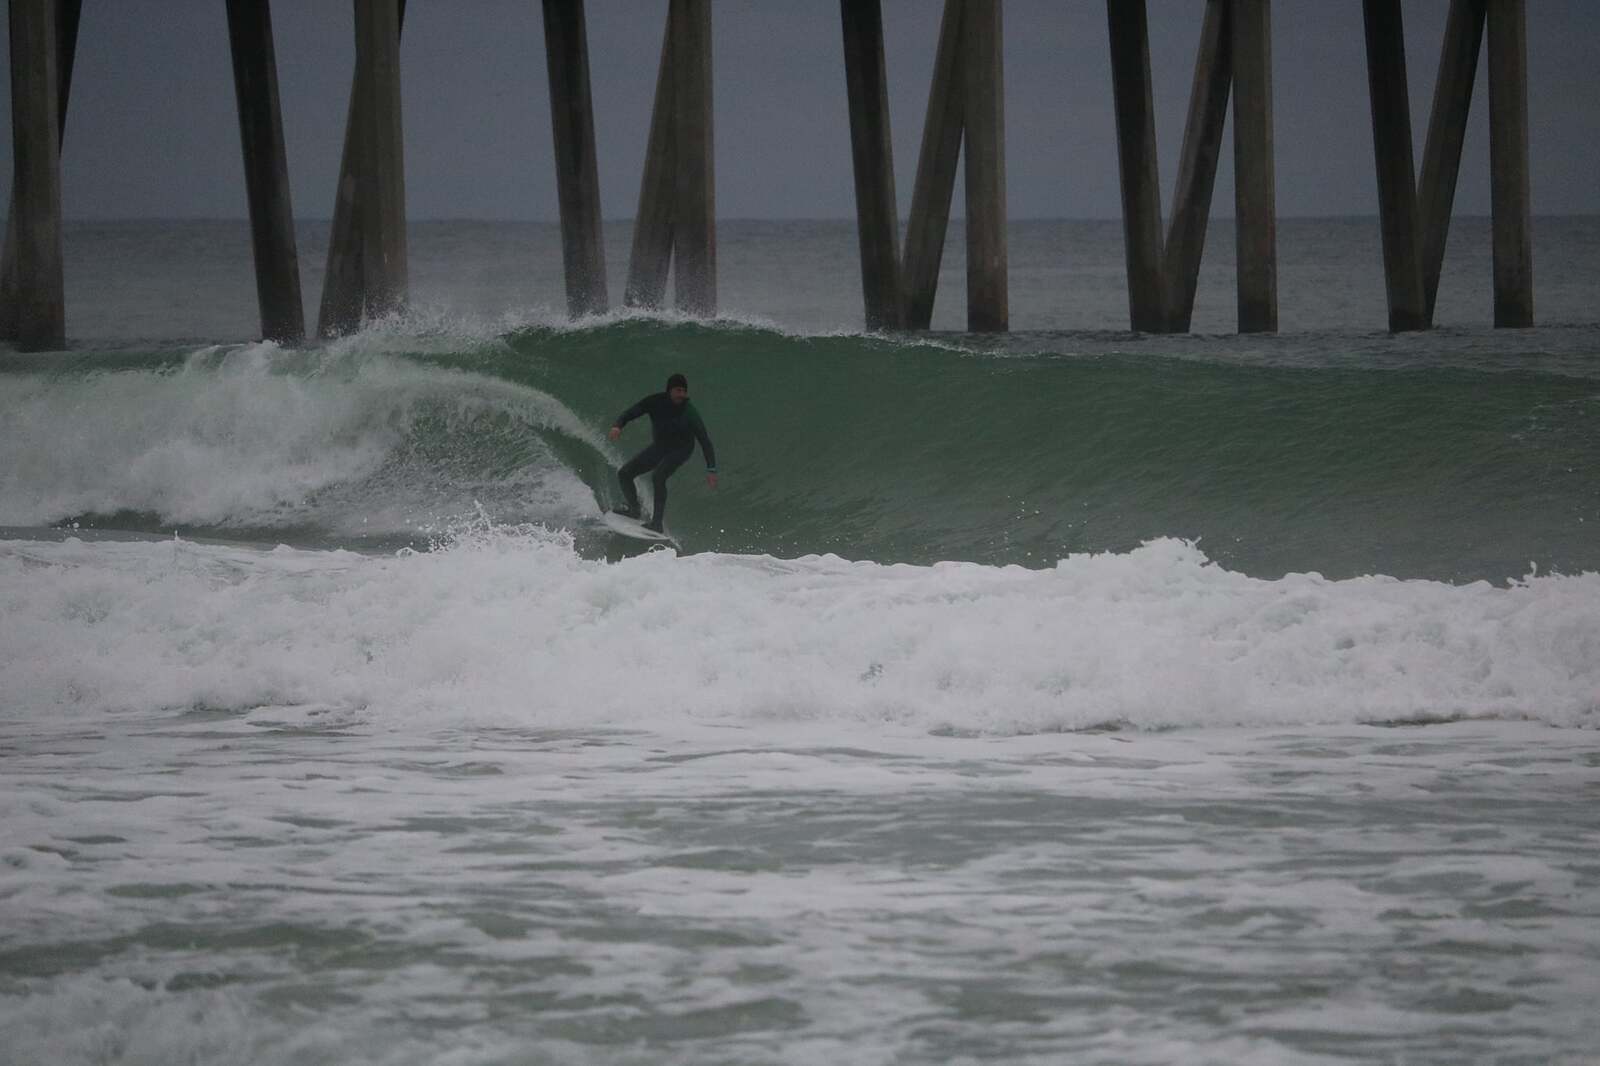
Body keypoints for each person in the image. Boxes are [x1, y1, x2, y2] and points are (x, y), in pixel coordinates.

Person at [608, 373, 717, 532]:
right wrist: (618, 425)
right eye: (678, 390)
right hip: (660, 447)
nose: (681, 394)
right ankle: (634, 510)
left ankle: (657, 524)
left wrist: (711, 469)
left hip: (682, 449)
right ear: (670, 390)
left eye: (684, 391)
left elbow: (705, 441)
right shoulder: (655, 401)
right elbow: (633, 412)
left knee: (658, 476)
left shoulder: (689, 412)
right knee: (625, 473)